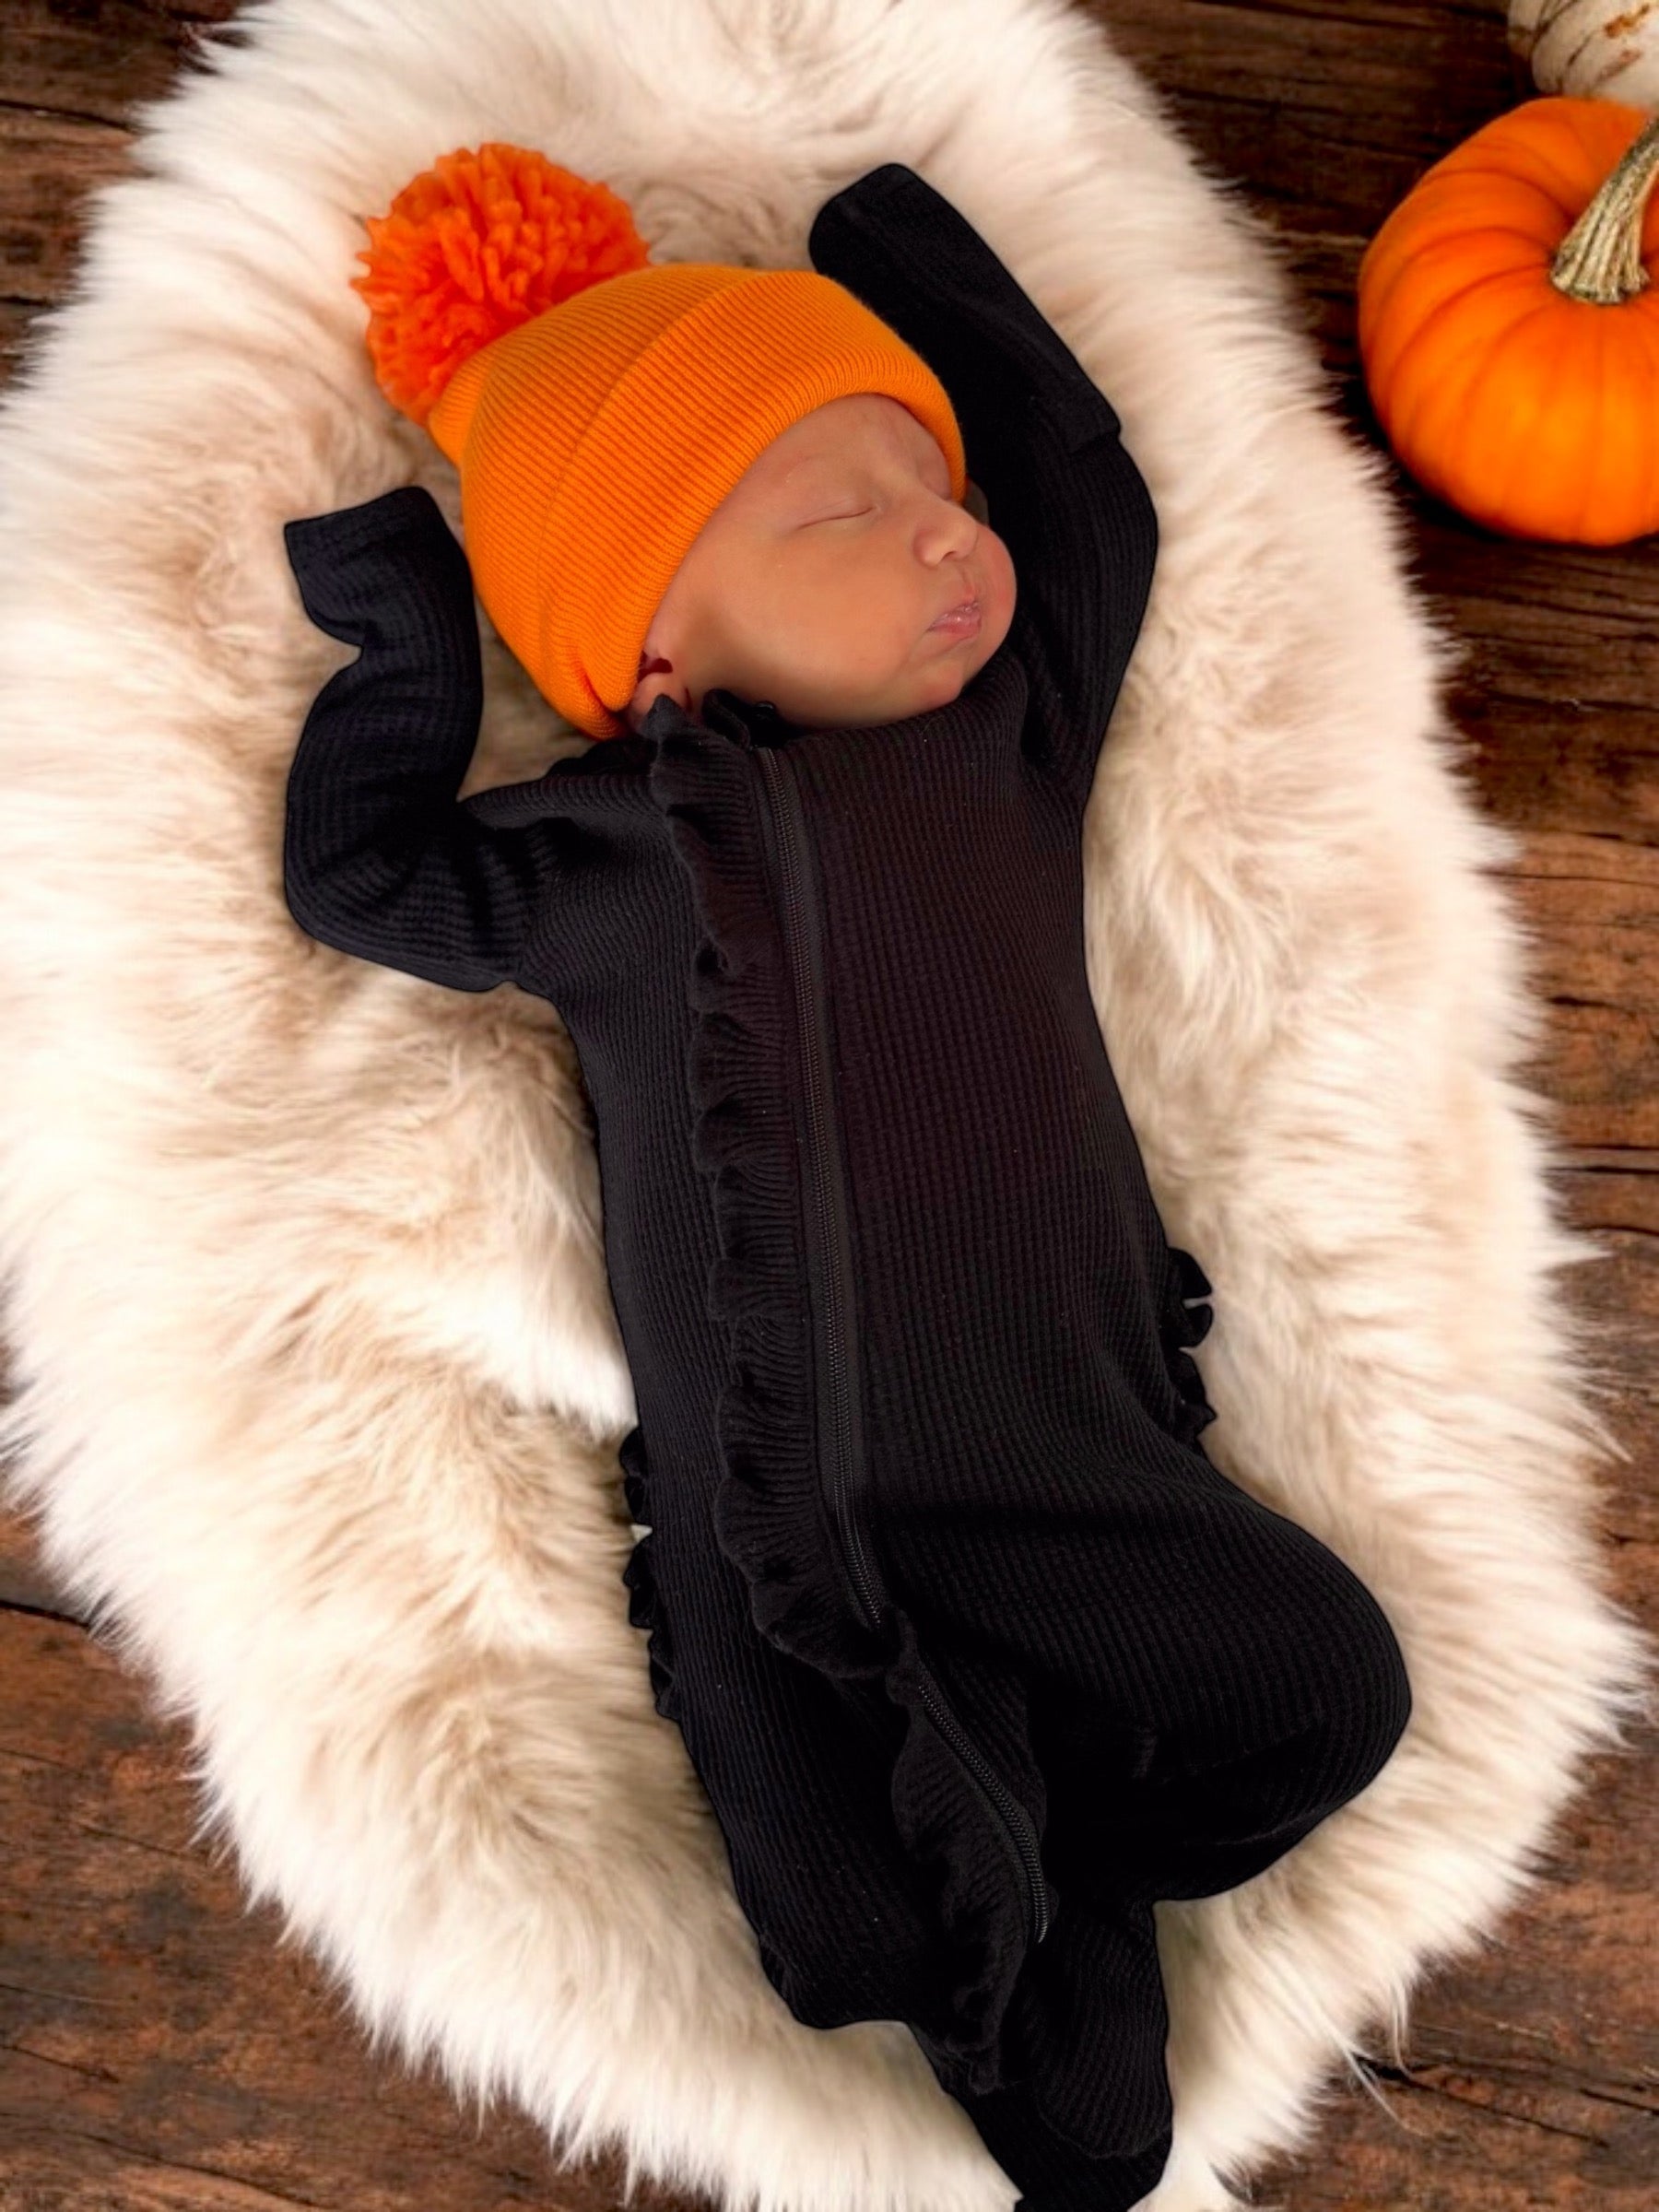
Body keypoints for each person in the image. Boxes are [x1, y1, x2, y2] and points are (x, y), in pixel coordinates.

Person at [282, 147, 1414, 2211]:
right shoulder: (610, 853)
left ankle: (1066, 1876)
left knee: (1326, 1693)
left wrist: (897, 235)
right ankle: (1022, 1962)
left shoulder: (1007, 742)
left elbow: (1089, 506)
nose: (939, 542)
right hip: (785, 1523)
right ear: (650, 655)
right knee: (839, 1930)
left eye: (933, 492)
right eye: (843, 513)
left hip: (1077, 1454)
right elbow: (362, 878)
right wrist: (405, 631)